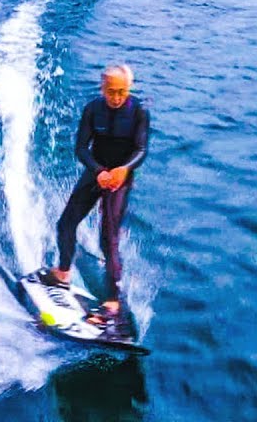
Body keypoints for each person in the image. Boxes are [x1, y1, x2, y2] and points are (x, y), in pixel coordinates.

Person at [41, 64, 149, 328]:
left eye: (121, 92)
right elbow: (81, 148)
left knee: (108, 237)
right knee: (66, 223)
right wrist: (98, 170)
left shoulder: (139, 113)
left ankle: (112, 301)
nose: (116, 97)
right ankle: (63, 272)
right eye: (111, 91)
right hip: (96, 172)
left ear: (129, 89)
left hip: (120, 179)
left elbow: (141, 149)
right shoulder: (92, 110)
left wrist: (123, 169)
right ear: (102, 88)